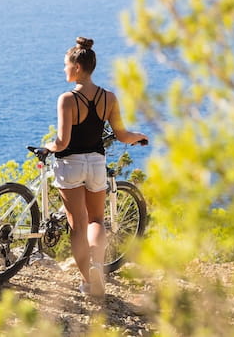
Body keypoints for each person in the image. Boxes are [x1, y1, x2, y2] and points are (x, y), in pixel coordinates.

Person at [44, 37, 148, 296]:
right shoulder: (109, 97)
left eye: (66, 65)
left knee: (77, 226)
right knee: (97, 220)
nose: (64, 69)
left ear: (77, 67)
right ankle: (98, 267)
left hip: (70, 165)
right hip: (96, 164)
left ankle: (87, 281)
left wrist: (47, 146)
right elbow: (122, 135)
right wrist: (140, 137)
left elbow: (62, 141)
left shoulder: (67, 99)